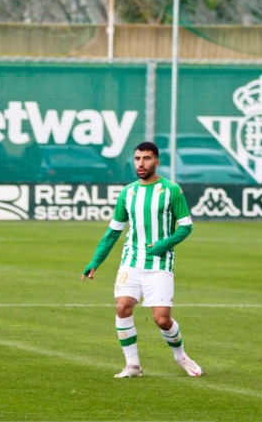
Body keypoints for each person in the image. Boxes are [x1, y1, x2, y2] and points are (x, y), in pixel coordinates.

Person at [81, 141, 201, 378]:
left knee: (161, 319)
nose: (141, 163)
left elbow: (186, 226)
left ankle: (182, 358)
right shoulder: (128, 192)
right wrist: (95, 260)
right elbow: (114, 231)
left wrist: (162, 246)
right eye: (137, 159)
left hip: (160, 264)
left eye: (146, 158)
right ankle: (132, 365)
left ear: (156, 161)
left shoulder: (171, 190)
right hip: (131, 261)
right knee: (123, 307)